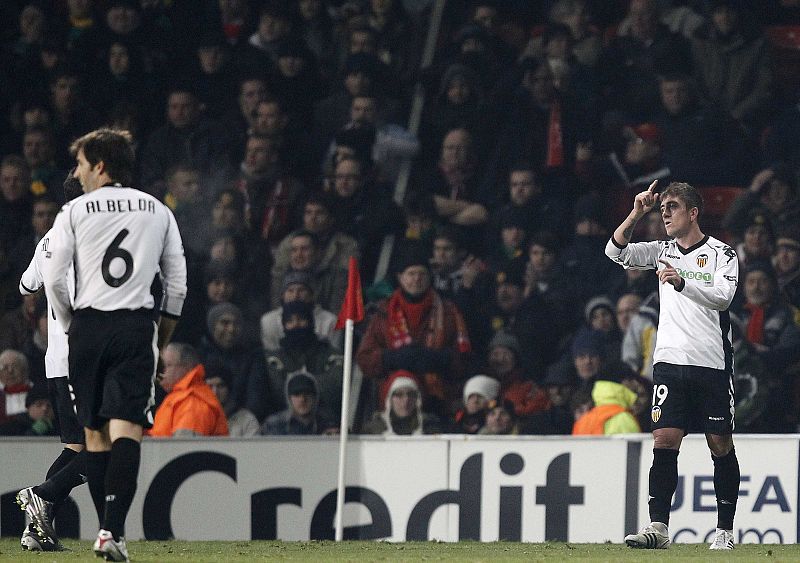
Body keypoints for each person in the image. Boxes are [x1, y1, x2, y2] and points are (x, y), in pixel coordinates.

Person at [42, 128, 187, 561]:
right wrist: (160, 337)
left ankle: (106, 530)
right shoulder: (158, 211)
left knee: (92, 436)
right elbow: (177, 284)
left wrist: (71, 324)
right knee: (127, 430)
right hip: (134, 327)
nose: (79, 173)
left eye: (83, 164)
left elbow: (51, 278)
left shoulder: (73, 211)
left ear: (100, 165)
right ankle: (111, 532)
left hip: (85, 328)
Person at [606, 180, 739, 550]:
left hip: (711, 363)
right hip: (668, 363)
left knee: (720, 444)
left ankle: (724, 531)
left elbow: (723, 298)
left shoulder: (721, 253)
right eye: (662, 207)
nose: (664, 213)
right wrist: (636, 211)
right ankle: (658, 528)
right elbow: (615, 252)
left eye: (672, 207)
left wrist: (682, 283)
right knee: (664, 441)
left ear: (693, 212)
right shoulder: (661, 250)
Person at [15, 171, 88, 552]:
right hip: (84, 357)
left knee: (76, 447)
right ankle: (43, 494)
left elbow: (26, 284)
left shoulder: (50, 237)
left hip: (57, 360)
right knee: (109, 444)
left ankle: (35, 531)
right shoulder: (87, 236)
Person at [149, 343, 228, 437]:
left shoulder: (193, 402)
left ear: (187, 367)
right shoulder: (178, 398)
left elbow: (184, 447)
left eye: (166, 365)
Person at [260, 370, 337, 436]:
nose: (302, 399)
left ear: (315, 397)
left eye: (307, 394)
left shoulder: (328, 424)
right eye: (297, 394)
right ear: (289, 398)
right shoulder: (273, 425)